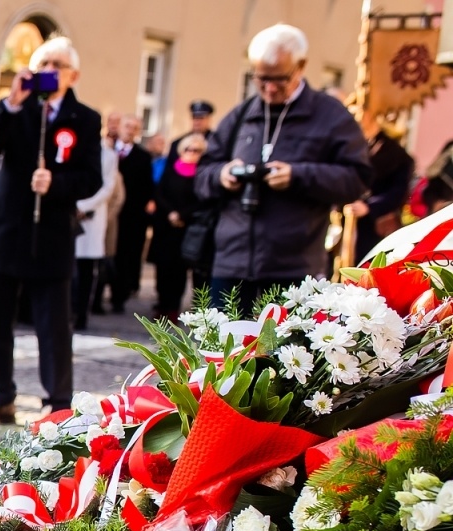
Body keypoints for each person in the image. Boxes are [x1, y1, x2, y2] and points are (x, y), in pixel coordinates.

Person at [196, 24, 370, 308]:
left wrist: (299, 176)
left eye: (279, 79)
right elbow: (202, 174)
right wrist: (222, 175)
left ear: (301, 67)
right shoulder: (241, 115)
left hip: (294, 270)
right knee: (223, 352)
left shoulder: (329, 116)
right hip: (231, 266)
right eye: (261, 78)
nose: (269, 88)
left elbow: (357, 178)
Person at [0, 36, 101, 424]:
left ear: (73, 74)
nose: (49, 71)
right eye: (43, 64)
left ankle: (56, 401)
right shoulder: (16, 109)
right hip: (8, 230)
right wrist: (12, 103)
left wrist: (57, 184)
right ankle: (1, 395)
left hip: (51, 235)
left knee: (52, 325)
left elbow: (91, 178)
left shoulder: (85, 118)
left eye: (57, 65)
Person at [150, 132, 208, 318]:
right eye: (188, 149)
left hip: (187, 230)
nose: (191, 153)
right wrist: (170, 213)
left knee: (179, 274)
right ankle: (162, 305)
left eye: (196, 150)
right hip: (166, 228)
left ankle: (174, 309)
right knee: (163, 270)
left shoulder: (202, 174)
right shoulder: (171, 168)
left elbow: (202, 200)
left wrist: (182, 215)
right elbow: (159, 193)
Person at [72, 125, 119, 331]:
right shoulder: (73, 148)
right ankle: (67, 311)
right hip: (69, 213)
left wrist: (83, 206)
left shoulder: (108, 155)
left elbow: (107, 187)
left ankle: (81, 314)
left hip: (91, 217)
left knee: (86, 271)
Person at [345, 112, 414, 248]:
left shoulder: (397, 155)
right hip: (345, 220)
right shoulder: (351, 147)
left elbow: (397, 192)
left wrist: (369, 207)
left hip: (372, 225)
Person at [110, 114, 153, 315]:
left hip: (130, 217)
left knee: (125, 258)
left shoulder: (143, 157)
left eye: (134, 127)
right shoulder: (107, 151)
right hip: (108, 214)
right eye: (127, 125)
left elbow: (146, 188)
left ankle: (119, 298)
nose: (130, 130)